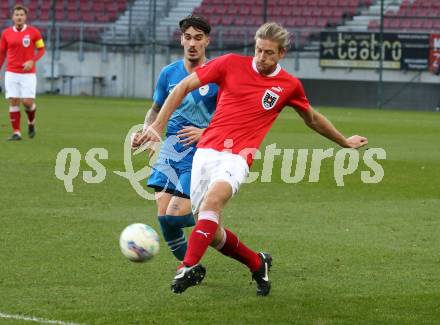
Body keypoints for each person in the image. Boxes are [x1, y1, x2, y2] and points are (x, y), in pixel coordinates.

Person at [139, 22, 368, 296]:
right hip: (205, 153)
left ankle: (187, 266)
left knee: (213, 203)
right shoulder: (230, 64)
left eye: (269, 53)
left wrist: (343, 141)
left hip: (237, 157)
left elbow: (313, 119)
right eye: (258, 50)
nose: (261, 57)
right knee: (211, 232)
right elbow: (183, 86)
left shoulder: (289, 86)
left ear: (281, 53)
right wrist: (156, 126)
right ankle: (257, 263)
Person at [132, 16, 218, 265]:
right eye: (188, 37)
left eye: (198, 38)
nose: (192, 43)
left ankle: (209, 216)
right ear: (181, 39)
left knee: (176, 216)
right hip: (170, 152)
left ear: (207, 41)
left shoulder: (216, 75)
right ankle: (190, 267)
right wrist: (147, 132)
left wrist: (205, 132)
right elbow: (155, 109)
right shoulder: (168, 73)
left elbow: (228, 117)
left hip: (201, 153)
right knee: (164, 220)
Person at [0, 4, 45, 141]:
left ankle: (31, 123)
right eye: (17, 15)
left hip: (28, 73)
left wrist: (32, 61)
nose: (19, 17)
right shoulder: (6, 33)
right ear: (13, 17)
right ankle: (16, 132)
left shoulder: (34, 32)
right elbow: (2, 53)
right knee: (14, 100)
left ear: (25, 17)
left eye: (21, 15)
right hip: (11, 72)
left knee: (27, 102)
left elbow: (41, 49)